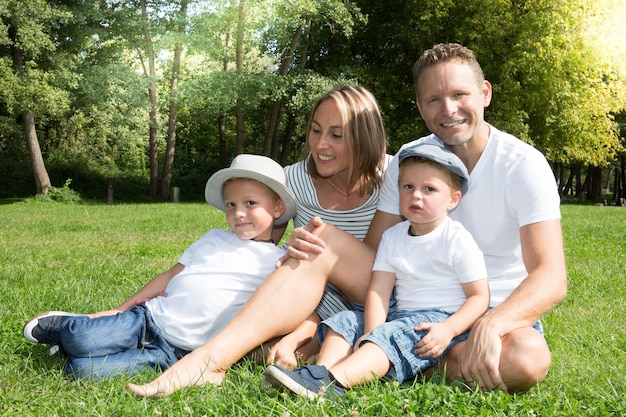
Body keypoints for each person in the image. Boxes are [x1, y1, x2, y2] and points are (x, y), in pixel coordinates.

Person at [127, 43, 567, 397]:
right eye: (434, 99)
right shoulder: (407, 163)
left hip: (486, 306)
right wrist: (318, 264)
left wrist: (492, 323)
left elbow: (551, 277)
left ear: (485, 94)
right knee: (319, 238)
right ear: (420, 105)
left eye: (459, 95)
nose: (447, 109)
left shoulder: (521, 165)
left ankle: (376, 364)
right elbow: (376, 257)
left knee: (527, 361)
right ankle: (209, 361)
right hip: (407, 301)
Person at [22, 154, 297, 380]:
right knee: (78, 339)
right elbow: (170, 275)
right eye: (231, 204)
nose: (238, 213)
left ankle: (80, 345)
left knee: (80, 371)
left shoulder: (277, 264)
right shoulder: (214, 238)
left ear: (276, 207)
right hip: (149, 320)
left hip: (176, 353)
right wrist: (122, 309)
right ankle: (73, 325)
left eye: (251, 203)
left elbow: (279, 313)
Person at [263, 142, 490, 400]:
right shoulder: (393, 237)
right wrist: (371, 333)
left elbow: (479, 297)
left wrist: (449, 328)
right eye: (408, 187)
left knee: (393, 336)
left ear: (453, 199)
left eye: (429, 189)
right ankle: (319, 372)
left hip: (440, 322)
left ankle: (333, 384)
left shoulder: (456, 239)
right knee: (346, 321)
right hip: (400, 314)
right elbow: (379, 290)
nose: (416, 195)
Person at [262, 84, 390, 368]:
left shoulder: (395, 178)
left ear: (364, 138)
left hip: (379, 298)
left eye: (336, 135)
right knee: (264, 351)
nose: (320, 145)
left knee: (323, 240)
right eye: (316, 130)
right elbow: (260, 247)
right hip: (316, 303)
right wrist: (288, 249)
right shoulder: (293, 180)